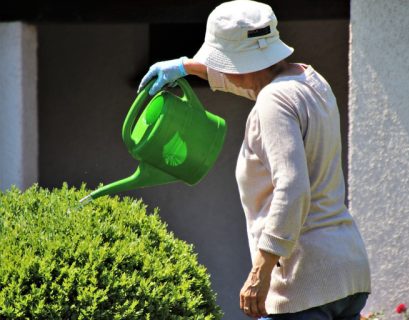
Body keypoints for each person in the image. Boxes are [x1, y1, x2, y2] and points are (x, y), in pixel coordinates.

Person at [138, 0, 371, 319]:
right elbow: (257, 86)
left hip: (303, 280)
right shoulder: (309, 80)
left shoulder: (273, 102)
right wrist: (187, 66)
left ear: (238, 61)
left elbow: (292, 190)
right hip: (347, 271)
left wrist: (260, 274)